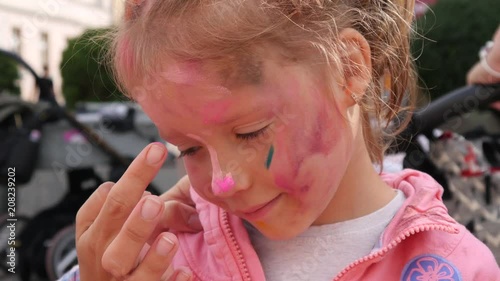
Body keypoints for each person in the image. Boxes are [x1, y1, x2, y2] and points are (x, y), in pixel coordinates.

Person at [60, 0, 500, 280]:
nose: (222, 183)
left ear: (348, 69)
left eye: (250, 131)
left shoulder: (455, 267)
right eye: (188, 149)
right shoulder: (161, 262)